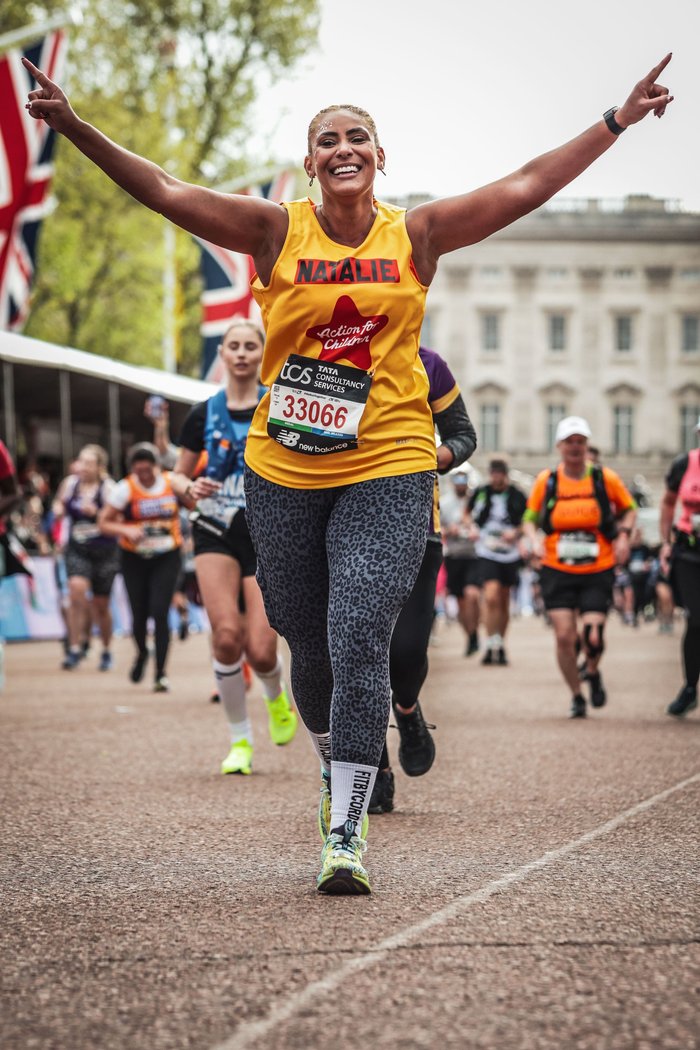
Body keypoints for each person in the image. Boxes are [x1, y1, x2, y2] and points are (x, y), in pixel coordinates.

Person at [23, 53, 674, 893]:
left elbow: (524, 186)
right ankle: (338, 762)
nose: (343, 148)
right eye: (327, 140)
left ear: (379, 155)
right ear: (310, 162)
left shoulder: (416, 235)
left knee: (359, 631)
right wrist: (74, 127)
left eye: (357, 136)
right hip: (284, 468)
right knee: (307, 639)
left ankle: (345, 826)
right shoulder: (274, 232)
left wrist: (615, 122)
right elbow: (166, 189)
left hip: (390, 460)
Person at [172, 319, 298, 775]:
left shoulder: (279, 404)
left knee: (261, 651)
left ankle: (276, 697)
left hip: (267, 533)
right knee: (226, 638)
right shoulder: (202, 414)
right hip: (215, 528)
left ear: (263, 353)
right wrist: (190, 488)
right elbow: (177, 475)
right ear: (222, 354)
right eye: (234, 346)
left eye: (250, 346)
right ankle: (240, 741)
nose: (242, 353)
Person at [369, 346, 476, 814]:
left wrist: (437, 456)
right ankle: (374, 769)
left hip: (417, 526)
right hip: (341, 525)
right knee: (354, 655)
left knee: (407, 652)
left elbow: (463, 434)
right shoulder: (326, 350)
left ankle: (408, 709)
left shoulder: (427, 363)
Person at [522, 417, 636, 718]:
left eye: (580, 442)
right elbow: (529, 519)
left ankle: (593, 671)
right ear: (559, 446)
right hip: (556, 567)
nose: (575, 447)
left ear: (587, 446)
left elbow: (629, 509)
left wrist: (624, 536)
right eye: (569, 442)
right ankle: (576, 694)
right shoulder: (547, 480)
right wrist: (533, 539)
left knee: (593, 634)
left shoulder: (604, 478)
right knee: (564, 636)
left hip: (598, 566)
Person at [99, 444, 183, 692]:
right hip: (134, 558)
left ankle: (160, 673)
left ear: (158, 466)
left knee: (160, 611)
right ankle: (142, 652)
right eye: (139, 471)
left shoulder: (171, 483)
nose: (144, 476)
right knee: (139, 614)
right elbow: (103, 522)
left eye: (148, 470)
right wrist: (125, 529)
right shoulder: (124, 489)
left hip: (167, 555)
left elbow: (193, 504)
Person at [52, 445, 119, 670]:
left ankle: (107, 650)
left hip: (104, 551)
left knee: (101, 604)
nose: (83, 467)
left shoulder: (109, 488)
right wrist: (58, 510)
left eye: (89, 463)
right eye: (81, 462)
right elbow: (58, 503)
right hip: (77, 549)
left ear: (100, 467)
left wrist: (98, 514)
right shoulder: (70, 484)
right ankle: (74, 648)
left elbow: (118, 519)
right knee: (76, 591)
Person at [466, 458, 526, 665]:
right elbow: (467, 513)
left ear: (505, 475)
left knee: (504, 599)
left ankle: (500, 643)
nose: (496, 478)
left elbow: (528, 520)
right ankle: (490, 640)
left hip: (509, 553)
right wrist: (472, 528)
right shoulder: (482, 492)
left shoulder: (517, 495)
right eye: (493, 474)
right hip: (487, 550)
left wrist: (516, 532)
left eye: (499, 474)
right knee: (491, 596)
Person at [659, 419, 700, 717]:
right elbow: (668, 502)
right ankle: (689, 687)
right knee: (696, 619)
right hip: (690, 550)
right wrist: (665, 541)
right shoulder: (685, 463)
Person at [440, 469, 481, 656]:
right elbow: (436, 528)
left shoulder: (475, 501)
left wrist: (475, 530)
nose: (460, 486)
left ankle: (474, 632)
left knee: (472, 595)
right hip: (454, 556)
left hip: (474, 555)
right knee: (461, 601)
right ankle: (471, 636)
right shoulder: (445, 503)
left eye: (463, 483)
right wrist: (450, 530)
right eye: (458, 482)